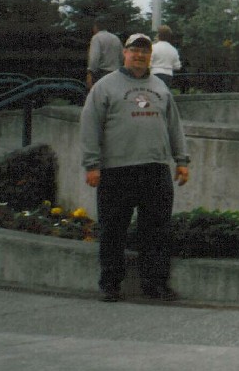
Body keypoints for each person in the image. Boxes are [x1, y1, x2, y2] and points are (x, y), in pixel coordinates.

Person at [80, 33, 190, 302]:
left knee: (156, 230)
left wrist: (182, 160)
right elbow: (89, 126)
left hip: (155, 169)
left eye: (144, 51)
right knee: (113, 229)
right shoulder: (105, 87)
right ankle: (110, 284)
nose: (139, 55)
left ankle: (155, 285)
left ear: (150, 56)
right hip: (116, 170)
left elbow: (174, 125)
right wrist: (91, 165)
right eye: (134, 50)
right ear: (125, 53)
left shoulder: (161, 88)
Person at [86, 18, 122, 89]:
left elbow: (94, 57)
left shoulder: (97, 38)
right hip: (116, 74)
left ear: (96, 27)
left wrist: (90, 73)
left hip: (102, 74)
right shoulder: (116, 38)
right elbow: (121, 57)